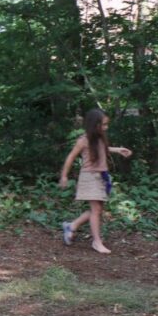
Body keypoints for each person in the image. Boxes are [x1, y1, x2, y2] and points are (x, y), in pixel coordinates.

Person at [59, 108, 132, 254]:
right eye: (103, 124)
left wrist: (118, 150)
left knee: (97, 210)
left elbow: (102, 149)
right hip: (89, 177)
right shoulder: (83, 140)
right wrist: (64, 176)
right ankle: (97, 242)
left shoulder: (99, 138)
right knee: (96, 210)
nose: (106, 127)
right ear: (94, 124)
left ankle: (71, 226)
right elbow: (71, 157)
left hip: (101, 177)